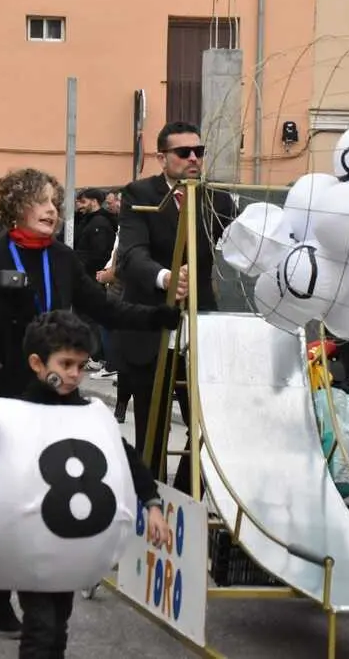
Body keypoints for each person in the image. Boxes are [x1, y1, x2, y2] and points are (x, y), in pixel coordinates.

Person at [0, 167, 180, 637]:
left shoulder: (63, 258)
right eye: (41, 200)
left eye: (55, 200)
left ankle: (29, 594)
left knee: (40, 494)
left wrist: (160, 316)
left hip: (57, 396)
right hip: (5, 390)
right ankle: (0, 596)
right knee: (4, 498)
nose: (52, 209)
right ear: (17, 206)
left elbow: (105, 307)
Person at [0, 310, 167, 657]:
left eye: (80, 366)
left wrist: (152, 505)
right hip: (29, 548)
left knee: (58, 624)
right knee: (41, 626)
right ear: (37, 363)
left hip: (70, 550)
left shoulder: (93, 416)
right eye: (65, 364)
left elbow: (128, 460)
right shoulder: (9, 416)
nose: (74, 375)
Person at [115, 121, 236, 488]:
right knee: (152, 430)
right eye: (183, 153)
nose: (193, 159)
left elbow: (241, 248)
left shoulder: (217, 199)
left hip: (202, 329)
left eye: (199, 152)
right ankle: (150, 507)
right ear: (162, 157)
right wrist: (165, 278)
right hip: (151, 328)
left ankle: (186, 498)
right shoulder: (139, 194)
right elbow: (131, 255)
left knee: (207, 426)